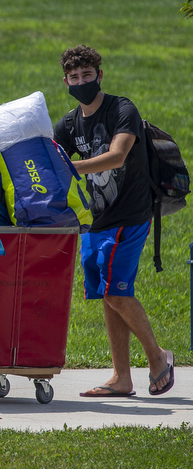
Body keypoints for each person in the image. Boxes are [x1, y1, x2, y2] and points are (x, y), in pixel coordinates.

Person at [52, 45, 174, 398]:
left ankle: (158, 359)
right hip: (96, 219)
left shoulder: (122, 110)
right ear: (66, 82)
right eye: (74, 78)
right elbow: (48, 159)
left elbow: (118, 156)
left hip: (130, 214)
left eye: (87, 75)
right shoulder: (70, 123)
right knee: (108, 296)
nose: (81, 82)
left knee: (114, 290)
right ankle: (122, 377)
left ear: (99, 75)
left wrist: (70, 167)